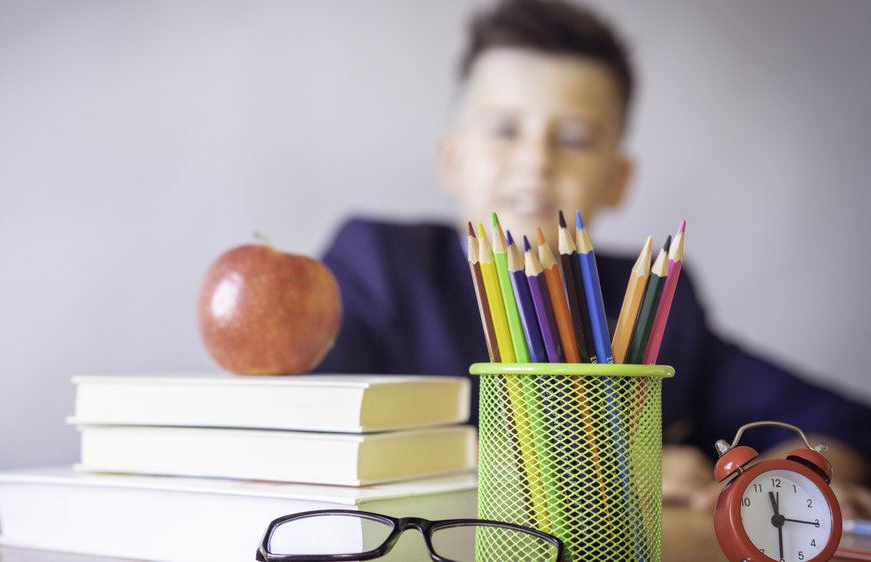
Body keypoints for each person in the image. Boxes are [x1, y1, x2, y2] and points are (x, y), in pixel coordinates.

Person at [314, 0, 871, 517]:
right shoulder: (379, 265)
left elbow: (840, 422)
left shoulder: (656, 303)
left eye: (576, 139)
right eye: (505, 130)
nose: (535, 161)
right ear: (451, 160)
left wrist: (793, 478)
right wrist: (605, 478)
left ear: (617, 180)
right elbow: (309, 437)